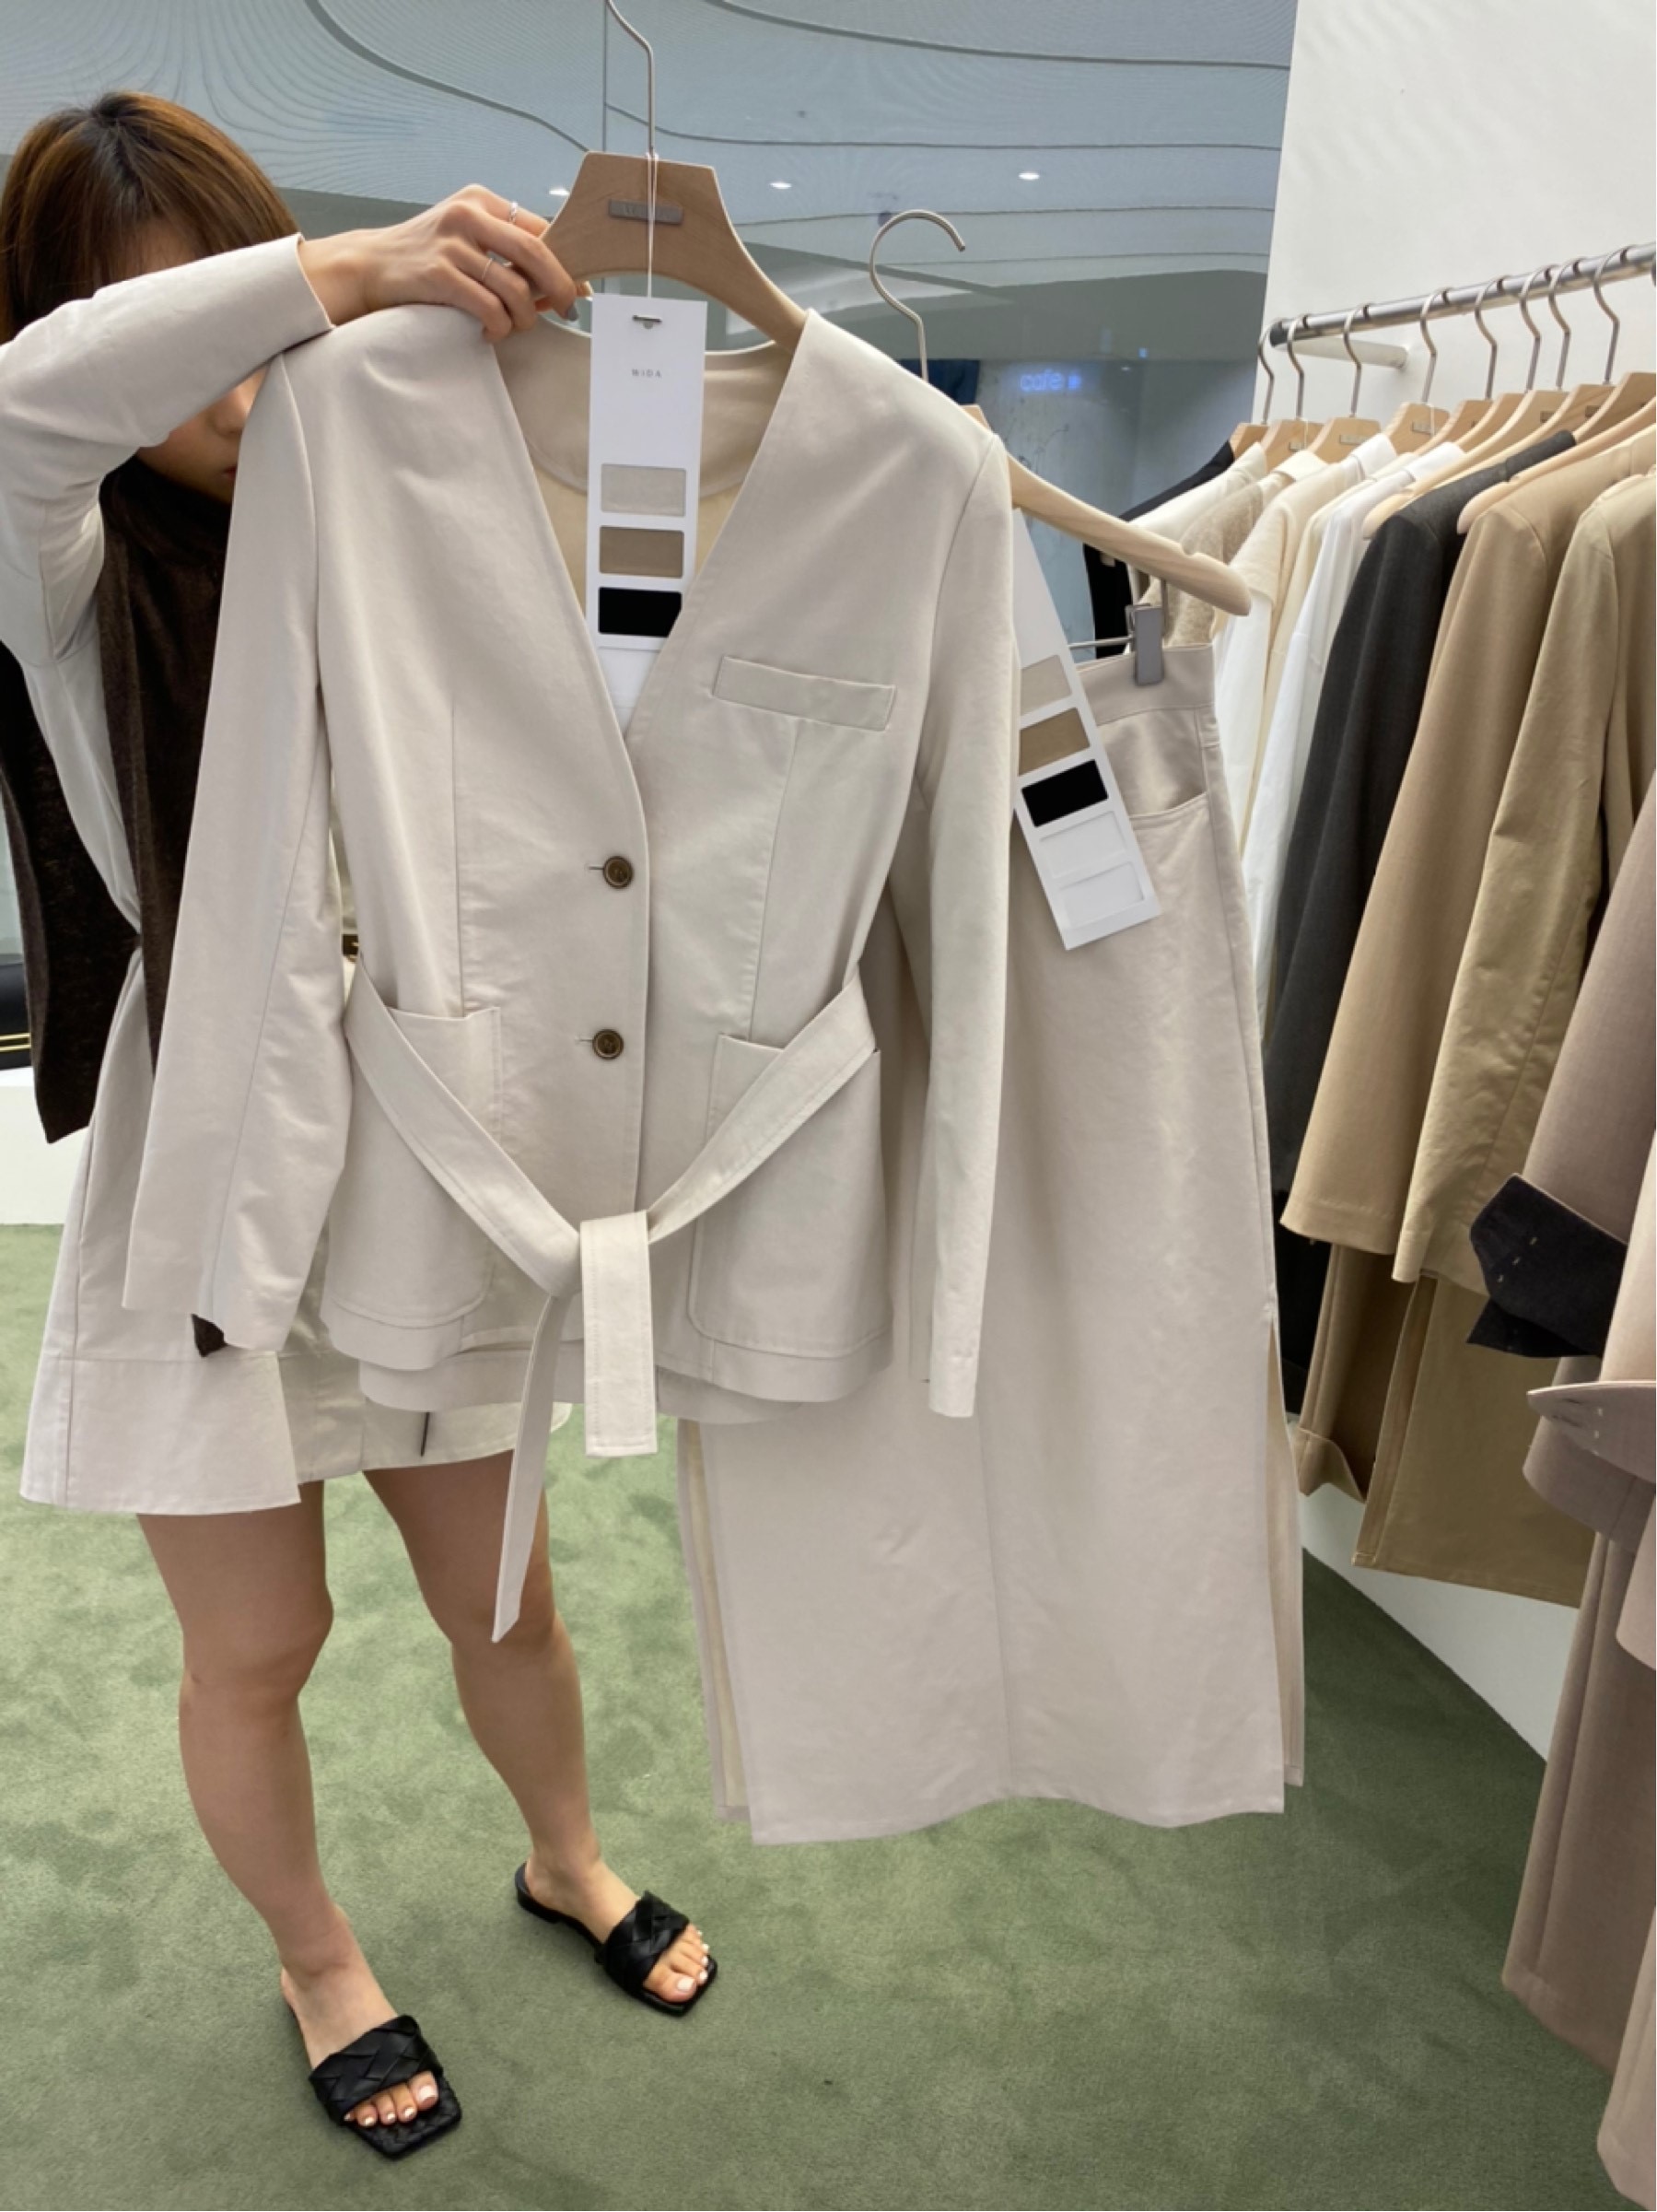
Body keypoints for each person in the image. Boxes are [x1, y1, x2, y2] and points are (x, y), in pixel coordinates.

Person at [0, 91, 713, 2159]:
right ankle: (321, 1957)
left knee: (507, 1592)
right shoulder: (68, 573)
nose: (233, 390)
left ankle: (565, 1854)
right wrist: (332, 271)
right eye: (182, 332)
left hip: (432, 1138)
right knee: (260, 1643)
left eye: (243, 322)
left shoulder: (417, 521)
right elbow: (25, 409)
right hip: (212, 1164)